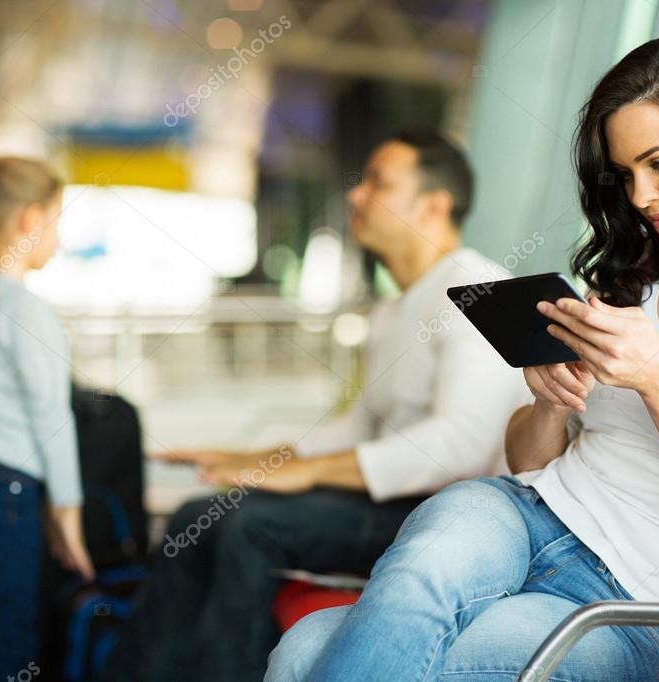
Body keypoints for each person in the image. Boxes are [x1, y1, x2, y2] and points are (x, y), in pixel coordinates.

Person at [265, 31, 659, 682]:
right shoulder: (634, 276)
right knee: (387, 586)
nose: (639, 197)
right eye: (626, 174)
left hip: (628, 601)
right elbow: (530, 459)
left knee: (306, 653)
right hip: (523, 512)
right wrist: (548, 401)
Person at [100, 131, 531, 681]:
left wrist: (305, 474)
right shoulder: (393, 306)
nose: (357, 195)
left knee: (245, 526)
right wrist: (257, 458)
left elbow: (461, 447)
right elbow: (360, 426)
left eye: (379, 184)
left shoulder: (476, 286)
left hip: (439, 517)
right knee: (195, 515)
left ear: (434, 205)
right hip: (386, 500)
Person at [0, 157, 94, 679]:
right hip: (9, 490)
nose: (58, 234)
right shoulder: (27, 311)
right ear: (31, 219)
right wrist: (68, 516)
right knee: (11, 642)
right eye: (57, 217)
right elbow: (52, 418)